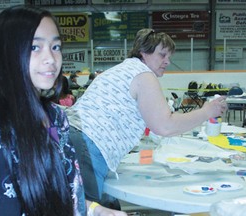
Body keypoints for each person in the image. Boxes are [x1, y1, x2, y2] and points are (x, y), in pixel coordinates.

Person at [0, 5, 127, 216]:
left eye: (55, 47)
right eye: (35, 47)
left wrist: (95, 210)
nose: (51, 59)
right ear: (8, 54)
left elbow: (68, 187)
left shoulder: (56, 116)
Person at [65, 29, 227, 208]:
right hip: (86, 146)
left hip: (70, 140)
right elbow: (165, 126)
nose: (167, 61)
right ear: (143, 52)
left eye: (169, 56)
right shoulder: (143, 75)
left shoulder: (120, 70)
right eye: (162, 54)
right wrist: (206, 112)